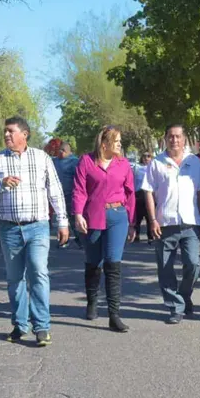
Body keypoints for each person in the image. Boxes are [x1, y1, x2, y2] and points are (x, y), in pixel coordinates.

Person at [0, 117, 70, 347]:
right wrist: (0, 183)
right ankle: (20, 325)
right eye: (5, 132)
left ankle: (42, 327)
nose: (6, 136)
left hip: (37, 226)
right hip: (9, 228)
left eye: (11, 132)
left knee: (39, 272)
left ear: (25, 134)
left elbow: (55, 191)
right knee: (15, 279)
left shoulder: (41, 158)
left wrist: (62, 222)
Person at [143, 125, 200, 324]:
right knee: (165, 268)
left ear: (184, 139)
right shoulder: (157, 163)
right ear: (165, 139)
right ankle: (175, 307)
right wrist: (152, 219)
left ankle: (183, 294)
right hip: (165, 223)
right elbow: (147, 191)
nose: (174, 140)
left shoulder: (194, 162)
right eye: (170, 137)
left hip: (190, 223)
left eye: (178, 136)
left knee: (193, 264)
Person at [73, 126, 135, 332]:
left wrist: (132, 221)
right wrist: (78, 214)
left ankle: (114, 314)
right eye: (116, 141)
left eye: (120, 141)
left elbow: (130, 193)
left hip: (118, 217)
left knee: (113, 264)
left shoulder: (124, 164)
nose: (120, 144)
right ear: (104, 144)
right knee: (93, 262)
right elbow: (79, 190)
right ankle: (92, 301)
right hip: (93, 217)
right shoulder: (86, 161)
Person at [131, 152, 153, 243]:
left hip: (150, 194)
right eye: (144, 156)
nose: (146, 158)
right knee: (138, 217)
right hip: (139, 194)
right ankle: (137, 235)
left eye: (148, 156)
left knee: (149, 217)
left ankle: (150, 236)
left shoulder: (154, 168)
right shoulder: (137, 168)